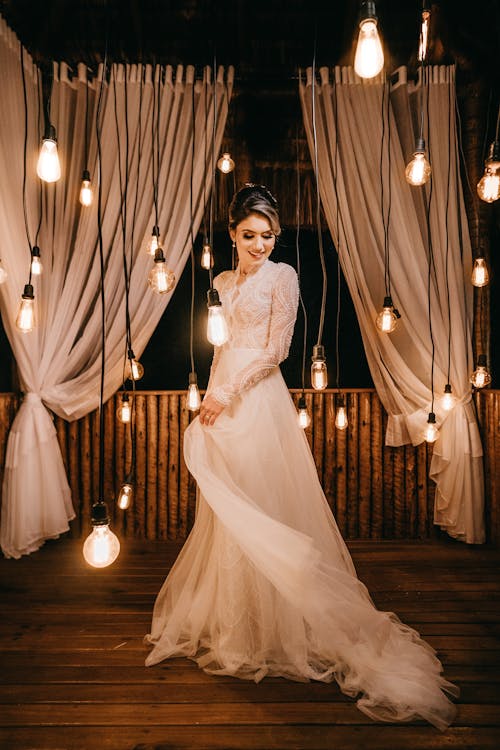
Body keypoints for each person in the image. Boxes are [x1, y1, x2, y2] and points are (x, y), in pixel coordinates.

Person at [145, 183, 458, 730]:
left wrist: (228, 391)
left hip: (256, 399)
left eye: (268, 235)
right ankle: (237, 624)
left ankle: (282, 626)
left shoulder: (283, 276)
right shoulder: (219, 280)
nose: (260, 245)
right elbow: (221, 340)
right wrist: (214, 391)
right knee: (227, 510)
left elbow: (277, 350)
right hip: (222, 392)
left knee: (263, 504)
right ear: (232, 235)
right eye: (250, 236)